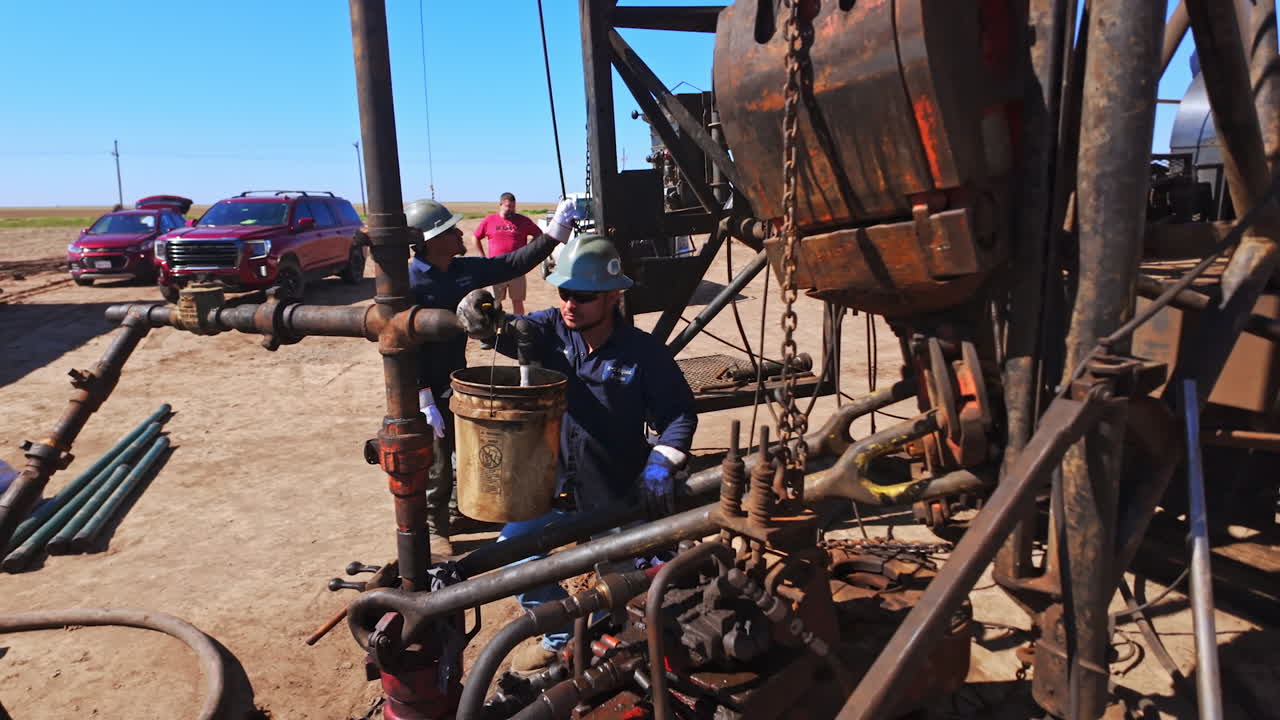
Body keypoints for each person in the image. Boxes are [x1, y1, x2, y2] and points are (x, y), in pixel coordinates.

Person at [456, 233, 697, 673]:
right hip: (553, 487)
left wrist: (664, 459)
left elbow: (680, 413)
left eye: (583, 297)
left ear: (613, 296)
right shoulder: (550, 331)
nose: (570, 305)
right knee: (513, 557)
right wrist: (480, 317)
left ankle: (621, 639)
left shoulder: (643, 354)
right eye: (565, 293)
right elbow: (508, 331)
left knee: (639, 581)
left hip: (617, 490)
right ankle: (563, 640)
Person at [407, 197, 578, 557]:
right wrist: (422, 395)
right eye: (450, 230)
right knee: (437, 463)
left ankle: (456, 512)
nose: (459, 234)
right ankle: (437, 529)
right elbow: (404, 346)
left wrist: (556, 231)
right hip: (420, 384)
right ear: (432, 239)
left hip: (454, 377)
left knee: (463, 450)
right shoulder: (410, 284)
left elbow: (511, 264)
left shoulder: (459, 271)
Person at [472, 192, 544, 318]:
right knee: (494, 301)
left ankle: (519, 323)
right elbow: (475, 237)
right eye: (507, 206)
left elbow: (539, 234)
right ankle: (495, 326)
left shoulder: (523, 221)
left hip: (517, 267)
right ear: (500, 205)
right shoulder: (490, 220)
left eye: (513, 206)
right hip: (495, 267)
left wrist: (528, 249)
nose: (510, 209)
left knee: (518, 301)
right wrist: (483, 256)